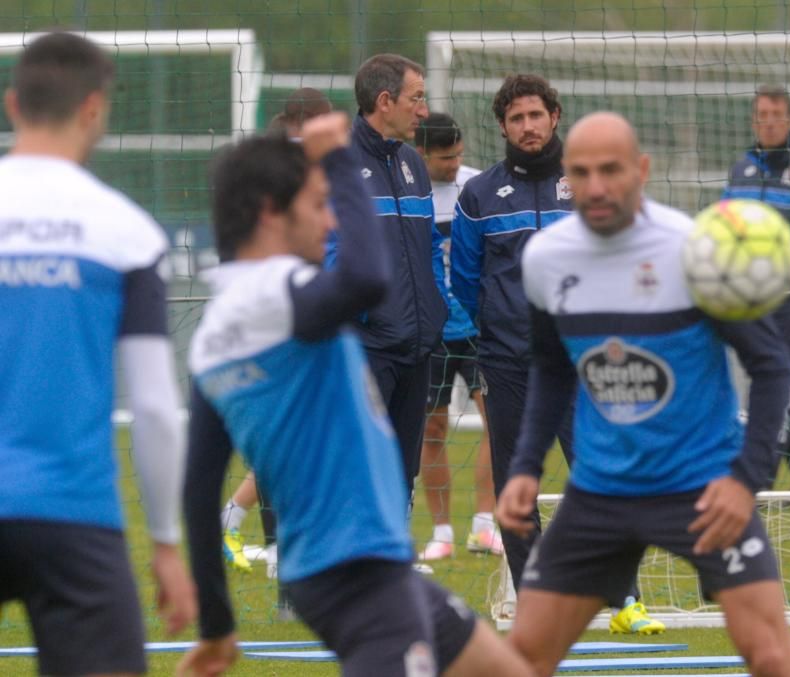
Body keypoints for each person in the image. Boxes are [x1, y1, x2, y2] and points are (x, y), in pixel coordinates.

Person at [179, 114, 533, 677]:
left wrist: (218, 628)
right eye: (321, 205)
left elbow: (198, 496)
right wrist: (341, 162)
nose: (330, 221)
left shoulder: (216, 333)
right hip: (355, 574)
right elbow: (371, 276)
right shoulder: (275, 298)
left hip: (359, 570)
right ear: (272, 212)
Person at [496, 112, 790, 677]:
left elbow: (771, 366)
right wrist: (524, 467)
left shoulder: (694, 251)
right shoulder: (545, 258)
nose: (595, 187)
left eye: (610, 170)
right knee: (523, 658)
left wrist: (745, 481)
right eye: (581, 173)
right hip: (600, 493)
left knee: (771, 656)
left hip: (702, 490)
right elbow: (551, 368)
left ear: (641, 170)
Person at [0, 32, 195, 675]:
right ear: (94, 109)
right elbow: (156, 407)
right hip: (73, 515)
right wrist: (165, 542)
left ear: (12, 106)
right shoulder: (126, 231)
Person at [451, 74, 660, 633]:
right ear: (503, 126)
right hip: (509, 364)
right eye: (516, 118)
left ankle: (627, 602)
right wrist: (487, 345)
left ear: (555, 116)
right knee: (517, 488)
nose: (527, 126)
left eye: (535, 115)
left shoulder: (591, 184)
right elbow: (466, 282)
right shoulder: (479, 196)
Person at [220, 87, 335, 575]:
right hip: (278, 318)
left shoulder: (301, 175)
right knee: (286, 432)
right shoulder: (287, 176)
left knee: (293, 434)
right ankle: (276, 542)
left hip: (294, 312)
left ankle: (253, 526)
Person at [326, 54, 448, 501]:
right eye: (416, 98)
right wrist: (367, 315)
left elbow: (430, 244)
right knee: (358, 472)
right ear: (384, 101)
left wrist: (437, 310)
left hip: (417, 348)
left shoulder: (413, 163)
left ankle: (394, 567)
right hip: (367, 349)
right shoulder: (336, 164)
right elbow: (327, 254)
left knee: (402, 476)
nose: (423, 110)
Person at [723, 85, 790, 492]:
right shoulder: (739, 172)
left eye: (776, 114)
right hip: (751, 302)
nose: (768, 122)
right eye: (762, 114)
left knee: (776, 386)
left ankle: (760, 480)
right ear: (754, 120)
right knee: (776, 387)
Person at [414, 112, 503, 560]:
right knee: (431, 429)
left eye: (458, 155)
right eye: (445, 158)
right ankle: (442, 533)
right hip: (431, 333)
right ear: (422, 154)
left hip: (477, 328)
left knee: (498, 423)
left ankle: (485, 525)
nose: (454, 164)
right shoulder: (410, 193)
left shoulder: (476, 187)